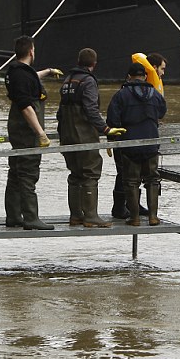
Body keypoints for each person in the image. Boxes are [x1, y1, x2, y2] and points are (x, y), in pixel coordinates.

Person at [57, 48, 126, 228]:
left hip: (67, 135)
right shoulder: (88, 81)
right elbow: (91, 109)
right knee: (90, 172)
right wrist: (105, 129)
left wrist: (62, 134)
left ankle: (75, 215)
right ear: (94, 64)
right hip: (84, 135)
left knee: (74, 174)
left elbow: (60, 113)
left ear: (78, 61)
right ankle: (91, 216)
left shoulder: (67, 81)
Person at [3, 35, 62, 230]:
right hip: (26, 132)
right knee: (28, 173)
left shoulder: (16, 72)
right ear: (31, 51)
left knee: (16, 172)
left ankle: (13, 215)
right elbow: (27, 107)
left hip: (17, 130)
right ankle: (31, 218)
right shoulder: (21, 76)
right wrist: (41, 133)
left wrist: (48, 71)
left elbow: (29, 78)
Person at [107, 62, 168, 226]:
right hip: (151, 144)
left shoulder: (121, 95)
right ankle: (153, 217)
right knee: (153, 179)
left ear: (129, 77)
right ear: (145, 77)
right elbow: (162, 112)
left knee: (131, 181)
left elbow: (112, 120)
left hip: (130, 145)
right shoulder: (155, 94)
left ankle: (134, 218)